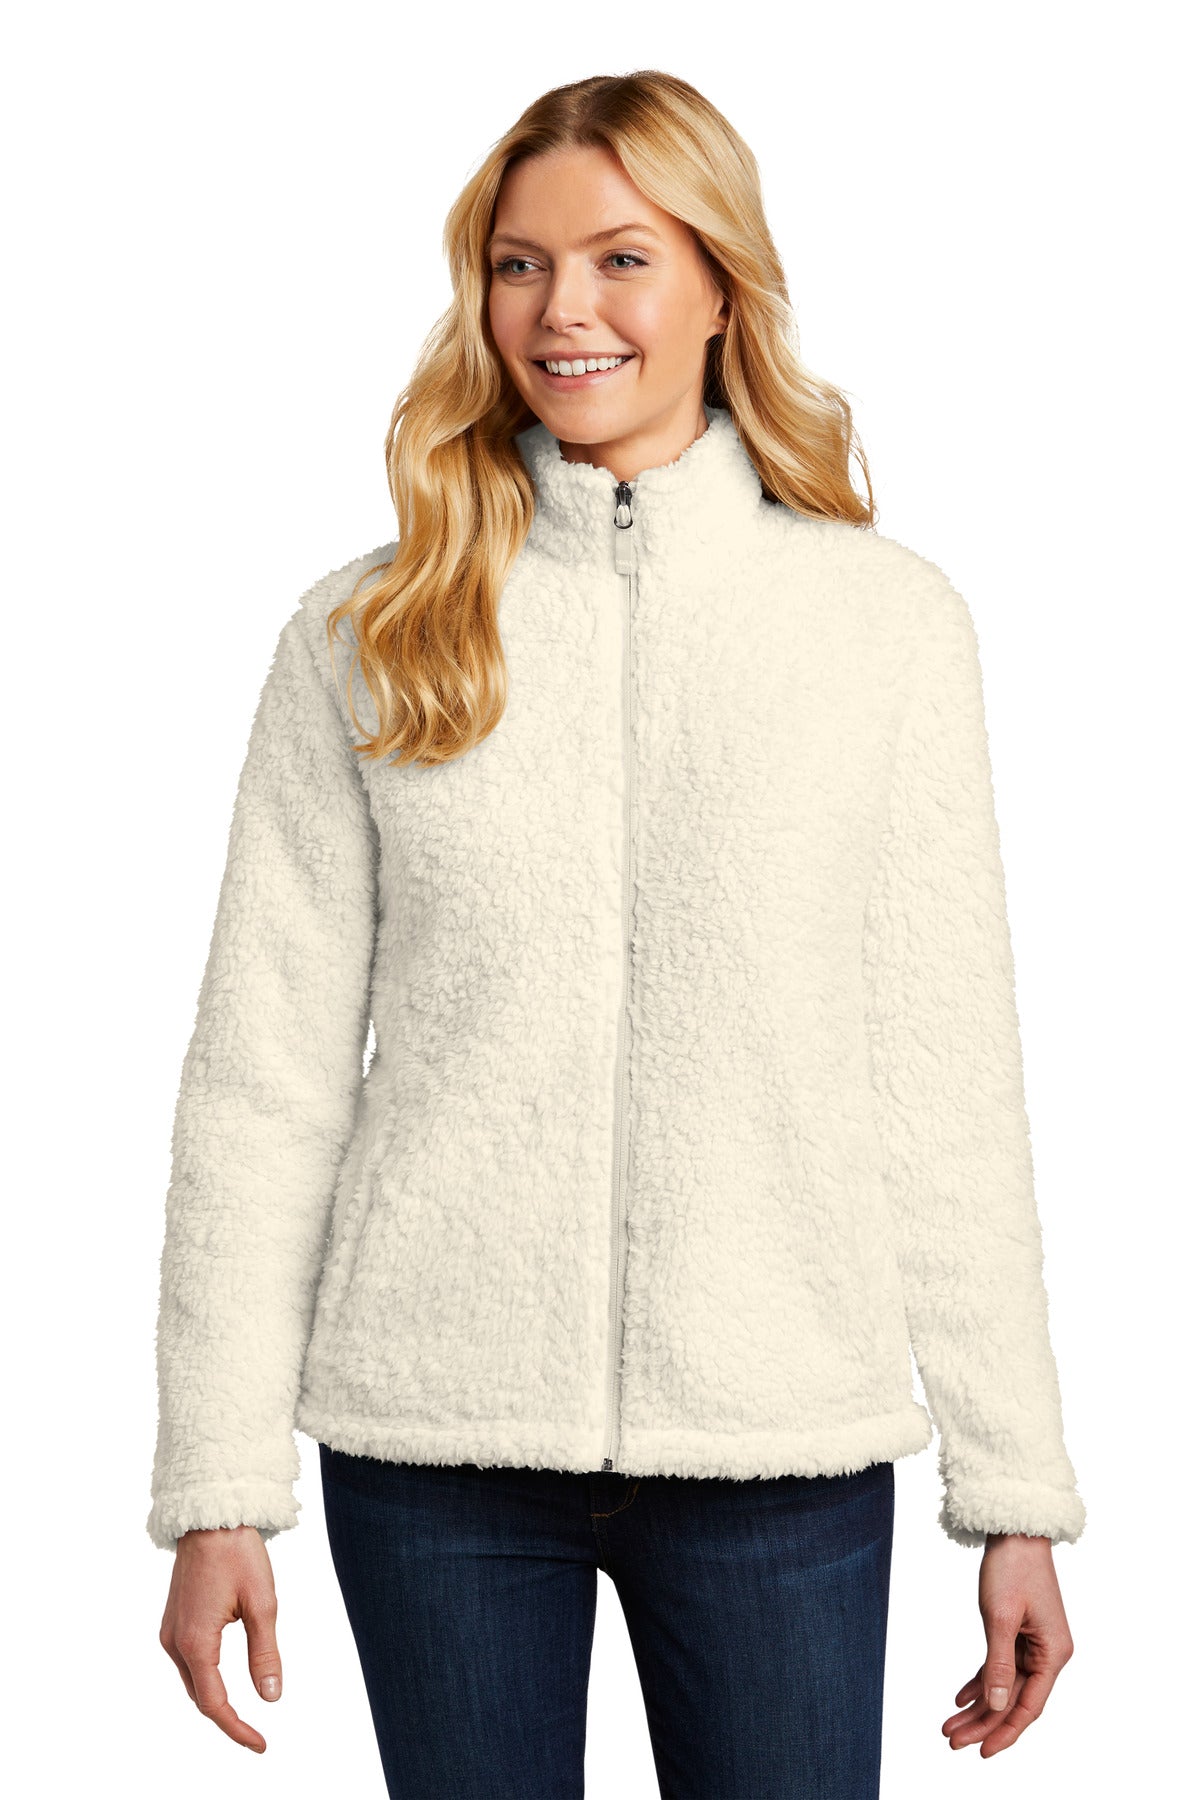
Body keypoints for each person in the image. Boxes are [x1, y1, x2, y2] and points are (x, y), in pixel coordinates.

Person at [149, 69, 1085, 1799]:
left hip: (780, 1446)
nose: (563, 311)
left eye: (621, 259)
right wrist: (217, 1485)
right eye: (520, 266)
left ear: (724, 285)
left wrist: (1014, 1489)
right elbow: (264, 1083)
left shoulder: (882, 630)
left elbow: (944, 1079)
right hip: (432, 1454)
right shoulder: (369, 631)